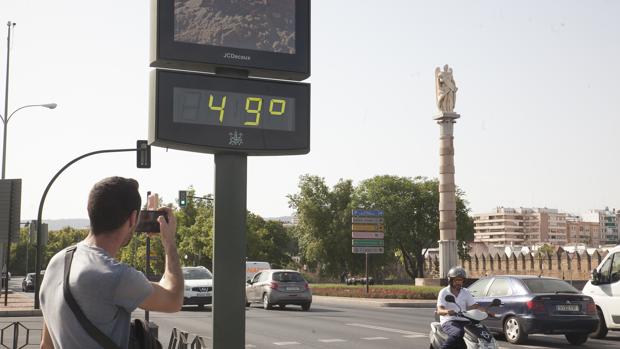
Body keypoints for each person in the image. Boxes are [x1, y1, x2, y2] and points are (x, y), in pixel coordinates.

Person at [39, 176, 184, 349]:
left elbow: (45, 345)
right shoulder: (115, 276)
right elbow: (173, 298)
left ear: (90, 210)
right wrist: (169, 242)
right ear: (132, 219)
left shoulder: (57, 262)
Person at [436, 266, 493, 349]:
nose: (459, 282)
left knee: (479, 332)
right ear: (451, 280)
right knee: (458, 333)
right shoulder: (444, 292)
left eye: (461, 280)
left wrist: (486, 311)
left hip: (464, 320)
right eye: (456, 280)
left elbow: (474, 306)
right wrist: (448, 311)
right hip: (449, 321)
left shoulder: (466, 292)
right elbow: (439, 310)